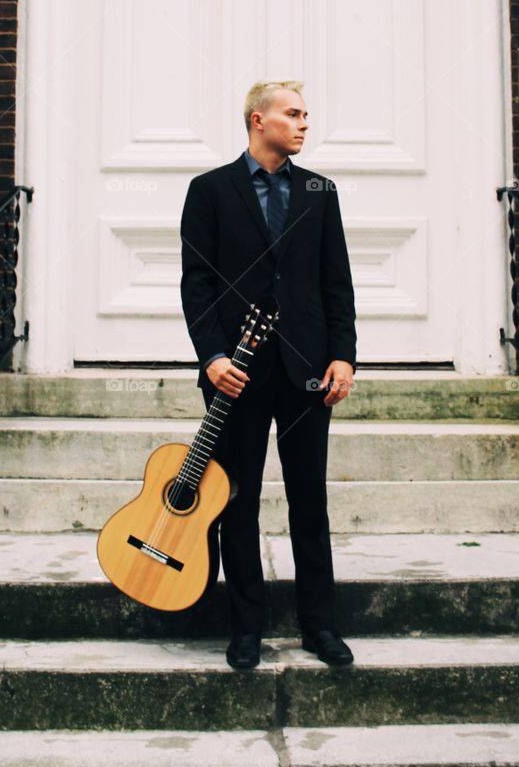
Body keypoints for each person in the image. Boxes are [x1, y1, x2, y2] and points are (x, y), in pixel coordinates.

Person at [179, 79, 357, 670]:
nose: (305, 124)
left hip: (308, 369)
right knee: (238, 502)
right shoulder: (209, 191)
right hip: (238, 373)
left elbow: (337, 283)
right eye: (294, 114)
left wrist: (343, 355)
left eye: (307, 114)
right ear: (259, 120)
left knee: (310, 501)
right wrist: (212, 356)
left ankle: (320, 627)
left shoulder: (320, 192)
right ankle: (246, 630)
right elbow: (197, 284)